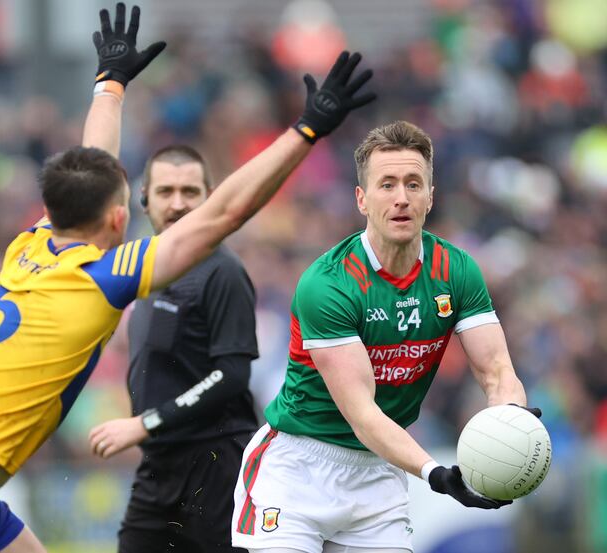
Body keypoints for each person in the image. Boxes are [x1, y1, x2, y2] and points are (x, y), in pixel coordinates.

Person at [0, 3, 375, 551]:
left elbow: (90, 169)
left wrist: (111, 84)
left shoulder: (30, 244)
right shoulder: (103, 278)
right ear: (120, 218)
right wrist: (306, 130)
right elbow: (222, 214)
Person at [230, 120, 542, 553]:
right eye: (387, 184)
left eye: (414, 184)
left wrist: (511, 422)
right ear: (362, 198)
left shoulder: (457, 270)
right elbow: (362, 413)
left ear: (430, 197)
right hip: (297, 469)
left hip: (378, 473)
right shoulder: (328, 284)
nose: (401, 198)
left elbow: (497, 372)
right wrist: (436, 473)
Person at [88, 144, 259, 553]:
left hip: (218, 467)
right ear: (144, 198)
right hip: (159, 466)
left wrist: (145, 422)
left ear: (210, 196)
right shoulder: (143, 265)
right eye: (166, 192)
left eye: (190, 191)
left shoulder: (224, 271)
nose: (178, 203)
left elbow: (232, 375)